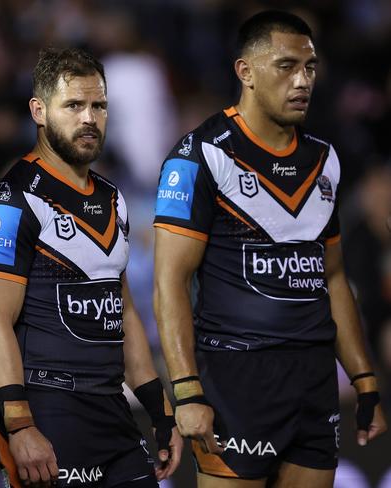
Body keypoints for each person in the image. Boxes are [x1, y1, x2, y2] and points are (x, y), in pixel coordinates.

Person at [153, 10, 387, 488]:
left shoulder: (325, 160)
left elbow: (333, 277)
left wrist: (364, 380)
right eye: (286, 66)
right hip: (235, 380)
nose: (303, 81)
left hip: (314, 381)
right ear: (246, 72)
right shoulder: (201, 156)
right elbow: (169, 282)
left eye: (311, 67)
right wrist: (187, 391)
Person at [0, 47, 182, 488]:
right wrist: (21, 426)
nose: (90, 118)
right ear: (39, 111)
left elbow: (120, 310)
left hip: (112, 411)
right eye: (74, 106)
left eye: (99, 106)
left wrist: (161, 412)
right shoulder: (12, 203)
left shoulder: (114, 198)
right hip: (48, 411)